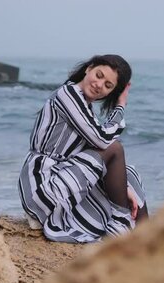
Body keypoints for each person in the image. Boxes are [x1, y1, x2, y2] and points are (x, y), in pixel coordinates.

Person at [18, 54, 148, 243]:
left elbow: (93, 149)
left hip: (62, 179)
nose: (99, 84)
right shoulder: (68, 94)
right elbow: (102, 140)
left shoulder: (84, 107)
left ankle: (148, 240)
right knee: (116, 149)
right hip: (41, 186)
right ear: (89, 68)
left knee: (129, 177)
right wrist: (120, 106)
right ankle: (122, 223)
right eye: (99, 75)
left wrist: (124, 188)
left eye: (108, 86)